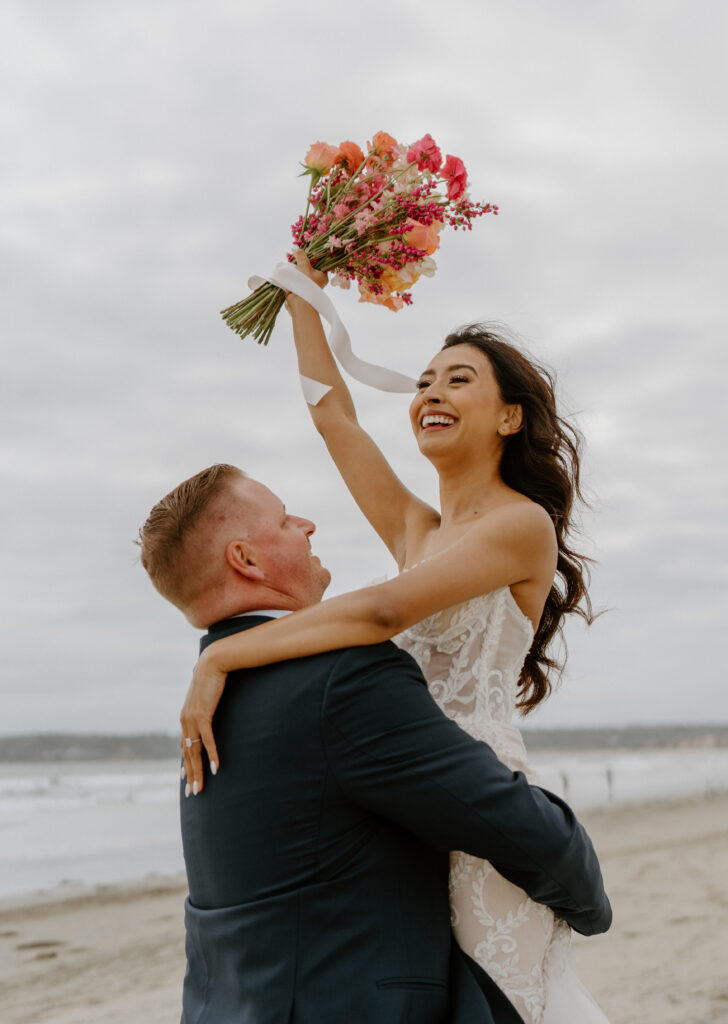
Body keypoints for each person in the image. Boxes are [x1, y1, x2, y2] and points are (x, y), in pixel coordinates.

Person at [179, 254, 612, 1022]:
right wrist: (302, 294)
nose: (430, 393)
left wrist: (225, 653)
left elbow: (381, 614)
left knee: (500, 1007)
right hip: (399, 810)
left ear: (509, 417)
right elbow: (332, 416)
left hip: (479, 807)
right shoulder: (418, 528)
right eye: (422, 381)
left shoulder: (520, 525)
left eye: (457, 379)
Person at [138, 466, 612, 1024]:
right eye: (287, 520)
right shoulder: (339, 678)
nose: (308, 526)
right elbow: (505, 818)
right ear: (246, 560)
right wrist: (589, 903)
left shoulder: (213, 695)